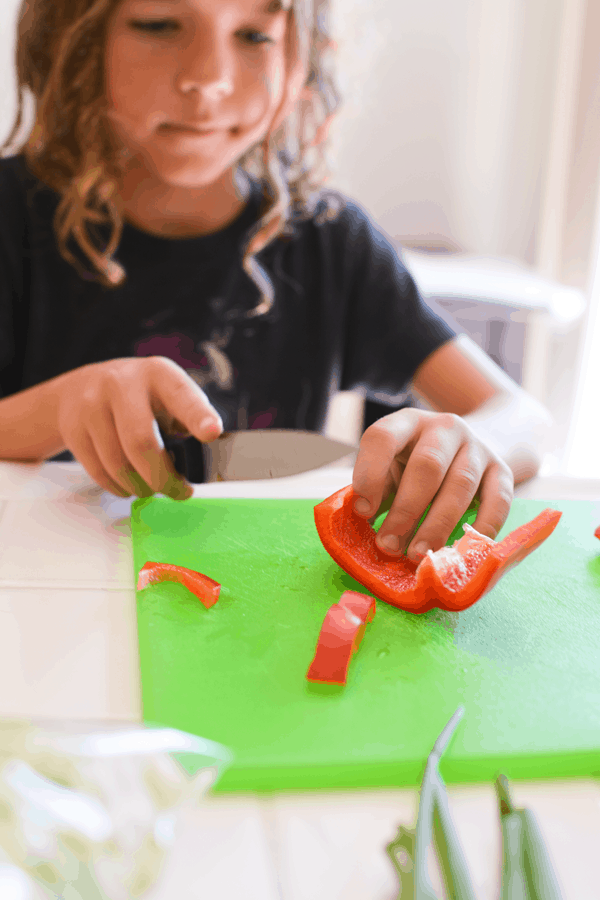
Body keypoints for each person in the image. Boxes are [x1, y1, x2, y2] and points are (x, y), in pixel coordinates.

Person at [0, 0, 551, 564]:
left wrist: (470, 446)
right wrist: (55, 411)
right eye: (159, 25)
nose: (209, 79)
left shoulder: (330, 240)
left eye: (255, 36)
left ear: (303, 56)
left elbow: (524, 419)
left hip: (244, 579)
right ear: (72, 39)